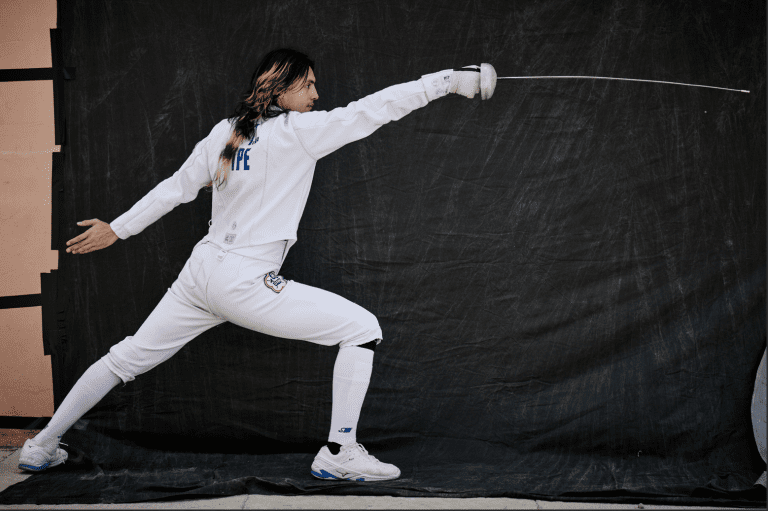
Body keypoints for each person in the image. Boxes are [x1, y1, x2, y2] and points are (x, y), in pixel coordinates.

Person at [18, 48, 493, 481]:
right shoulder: (299, 132)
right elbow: (374, 109)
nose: (316, 95)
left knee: (126, 358)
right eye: (308, 85)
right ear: (281, 88)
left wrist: (118, 229)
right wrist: (449, 81)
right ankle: (339, 452)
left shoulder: (224, 132)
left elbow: (174, 188)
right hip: (242, 281)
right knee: (362, 328)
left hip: (200, 274)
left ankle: (40, 446)